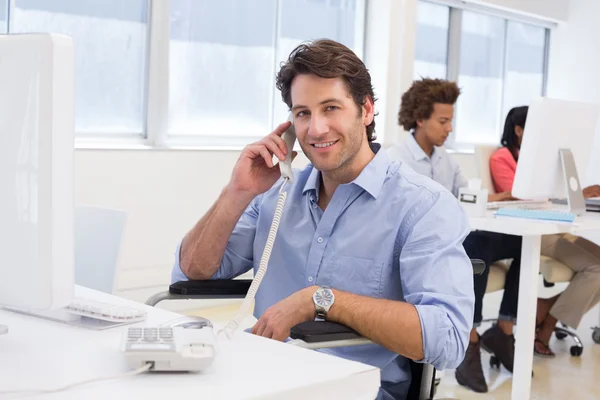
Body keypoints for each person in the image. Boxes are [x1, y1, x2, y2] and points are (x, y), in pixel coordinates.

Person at [171, 40, 474, 399]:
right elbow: (193, 270)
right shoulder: (276, 194)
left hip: (354, 389)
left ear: (366, 110)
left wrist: (324, 300)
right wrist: (237, 191)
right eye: (302, 113)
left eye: (331, 108)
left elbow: (449, 338)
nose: (315, 129)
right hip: (263, 378)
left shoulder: (423, 206)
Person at [388, 78, 523, 393]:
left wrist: (505, 197)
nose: (449, 128)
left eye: (451, 121)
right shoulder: (397, 159)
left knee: (522, 243)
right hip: (424, 245)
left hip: (454, 235)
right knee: (475, 245)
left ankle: (503, 330)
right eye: (443, 121)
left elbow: (466, 195)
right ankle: (469, 341)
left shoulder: (444, 158)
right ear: (420, 119)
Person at [491, 105, 600, 357]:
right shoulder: (501, 158)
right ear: (518, 130)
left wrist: (579, 193)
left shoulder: (538, 161)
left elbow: (552, 194)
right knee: (596, 269)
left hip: (555, 225)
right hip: (533, 230)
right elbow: (520, 198)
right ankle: (547, 327)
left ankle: (544, 307)